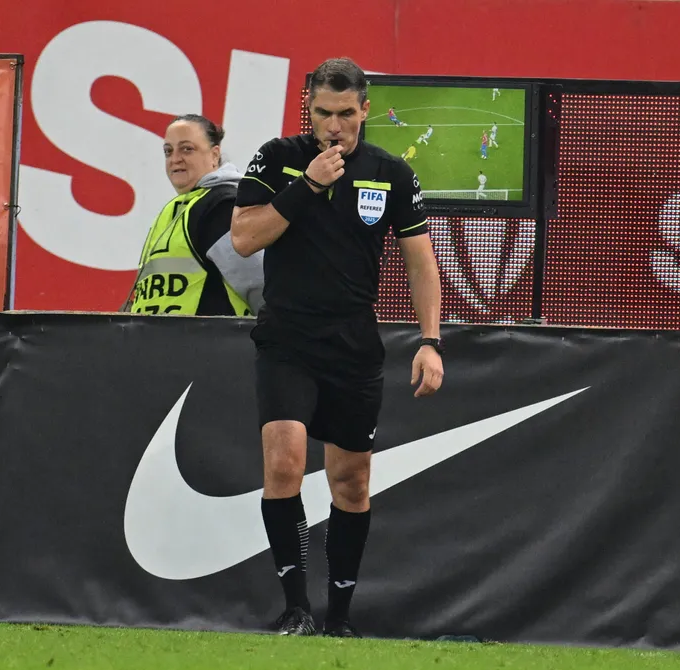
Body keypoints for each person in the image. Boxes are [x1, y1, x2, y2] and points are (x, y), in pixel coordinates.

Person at [230, 57, 444, 638]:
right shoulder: (277, 158)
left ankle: (340, 619)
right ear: (308, 107)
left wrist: (430, 341)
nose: (334, 126)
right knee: (284, 463)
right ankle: (295, 609)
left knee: (351, 482)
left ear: (365, 110)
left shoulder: (391, 173)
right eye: (323, 113)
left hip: (353, 343)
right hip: (288, 337)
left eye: (346, 114)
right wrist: (308, 185)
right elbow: (244, 238)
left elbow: (421, 263)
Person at [122, 114, 264, 316]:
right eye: (168, 151)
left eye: (187, 149)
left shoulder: (220, 206)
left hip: (213, 336)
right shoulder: (177, 211)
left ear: (214, 155)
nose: (175, 159)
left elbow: (260, 284)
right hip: (162, 337)